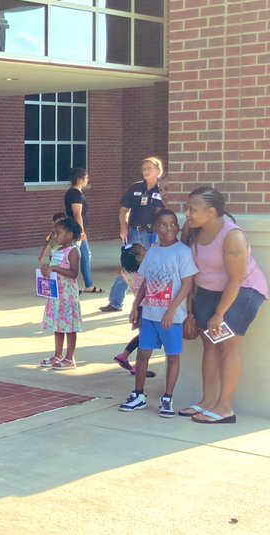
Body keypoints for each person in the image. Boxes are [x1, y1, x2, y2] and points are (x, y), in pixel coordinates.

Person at [180, 186, 267, 424]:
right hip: (210, 289)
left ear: (210, 212)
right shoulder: (192, 229)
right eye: (187, 208)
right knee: (209, 343)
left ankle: (225, 407)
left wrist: (219, 314)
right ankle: (207, 401)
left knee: (227, 344)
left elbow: (236, 279)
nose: (186, 213)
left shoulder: (232, 236)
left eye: (192, 209)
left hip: (242, 291)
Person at [119, 209, 197, 416]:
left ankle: (167, 398)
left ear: (178, 227)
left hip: (171, 317)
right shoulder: (152, 251)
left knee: (172, 357)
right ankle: (138, 395)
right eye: (163, 224)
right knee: (143, 354)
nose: (169, 228)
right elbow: (145, 281)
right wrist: (136, 305)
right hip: (150, 314)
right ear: (155, 228)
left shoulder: (183, 252)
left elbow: (188, 283)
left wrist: (172, 311)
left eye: (173, 224)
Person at [103, 157, 166, 312]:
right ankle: (115, 302)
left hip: (152, 234)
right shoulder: (135, 188)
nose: (145, 171)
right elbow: (123, 210)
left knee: (151, 268)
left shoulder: (163, 189)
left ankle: (151, 302)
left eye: (149, 168)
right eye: (143, 168)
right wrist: (123, 227)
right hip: (134, 233)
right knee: (128, 267)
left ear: (159, 170)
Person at [38, 217, 82, 370]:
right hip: (57, 295)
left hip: (68, 297)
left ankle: (70, 358)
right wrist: (46, 269)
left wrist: (55, 269)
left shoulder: (73, 251)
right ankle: (58, 354)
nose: (54, 237)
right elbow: (53, 267)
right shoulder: (57, 250)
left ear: (69, 235)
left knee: (69, 327)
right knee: (58, 326)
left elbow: (74, 273)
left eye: (58, 233)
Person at [111, 243, 156, 379]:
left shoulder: (126, 271)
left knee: (143, 337)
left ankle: (124, 355)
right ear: (138, 259)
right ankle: (138, 366)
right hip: (147, 308)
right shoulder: (142, 274)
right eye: (144, 251)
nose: (147, 251)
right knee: (147, 340)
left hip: (139, 307)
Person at [64, 167, 102, 293]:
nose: (87, 180)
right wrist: (81, 232)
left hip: (74, 230)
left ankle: (87, 284)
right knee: (81, 256)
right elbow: (77, 214)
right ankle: (85, 285)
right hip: (75, 231)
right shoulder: (75, 194)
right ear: (80, 179)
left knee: (84, 256)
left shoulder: (74, 192)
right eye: (86, 177)